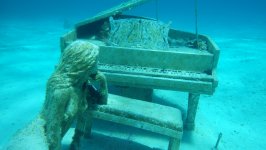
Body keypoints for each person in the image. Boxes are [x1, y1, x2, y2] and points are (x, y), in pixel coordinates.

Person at [40, 40, 108, 150]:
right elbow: (52, 131)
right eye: (96, 60)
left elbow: (101, 102)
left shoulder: (82, 82)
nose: (98, 62)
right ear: (85, 63)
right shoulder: (62, 91)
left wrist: (103, 82)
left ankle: (76, 142)